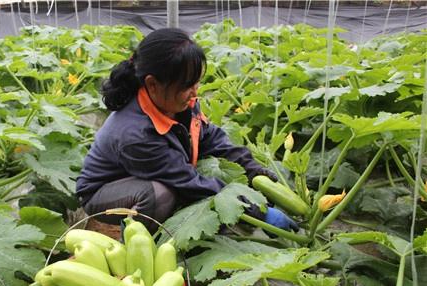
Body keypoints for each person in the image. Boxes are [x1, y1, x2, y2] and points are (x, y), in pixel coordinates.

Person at [76, 28, 298, 235]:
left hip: (150, 171)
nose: (194, 93)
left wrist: (254, 172)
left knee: (211, 171)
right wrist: (257, 210)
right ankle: (137, 248)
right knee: (161, 195)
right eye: (186, 85)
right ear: (152, 84)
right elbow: (188, 182)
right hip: (104, 191)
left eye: (197, 83)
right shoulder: (135, 135)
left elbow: (212, 139)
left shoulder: (179, 101)